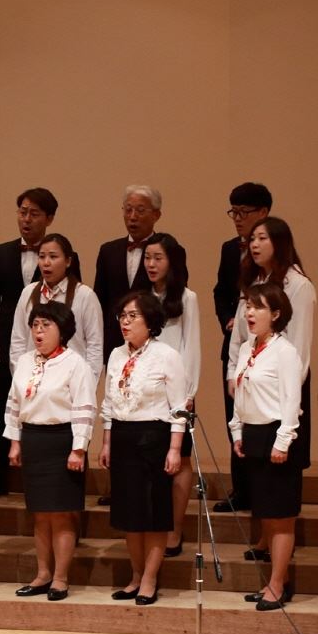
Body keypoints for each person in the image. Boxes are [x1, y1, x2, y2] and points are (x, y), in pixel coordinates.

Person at [226, 216, 316, 561]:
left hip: (281, 385)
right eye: (252, 239)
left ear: (280, 242)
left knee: (277, 474)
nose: (254, 244)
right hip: (251, 378)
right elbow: (239, 337)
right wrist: (234, 374)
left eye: (262, 238)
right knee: (257, 473)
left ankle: (277, 542)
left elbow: (300, 345)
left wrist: (286, 388)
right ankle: (264, 538)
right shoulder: (254, 282)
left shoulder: (298, 284)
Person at [99, 292, 187, 606]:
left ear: (150, 321)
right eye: (122, 316)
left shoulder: (167, 356)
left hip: (154, 438)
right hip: (123, 437)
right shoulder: (116, 355)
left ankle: (150, 579)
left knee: (153, 514)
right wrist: (106, 442)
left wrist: (175, 449)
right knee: (129, 515)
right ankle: (135, 576)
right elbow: (109, 403)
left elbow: (179, 409)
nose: (125, 322)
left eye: (132, 316)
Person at [5, 300, 96, 601]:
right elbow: (14, 403)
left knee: (61, 515)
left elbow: (85, 407)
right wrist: (15, 441)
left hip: (62, 441)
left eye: (46, 325)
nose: (39, 331)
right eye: (35, 325)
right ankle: (43, 574)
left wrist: (78, 449)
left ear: (62, 330)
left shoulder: (75, 364)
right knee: (40, 514)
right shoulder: (25, 361)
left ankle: (60, 578)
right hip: (33, 440)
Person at [0, 188, 59, 499]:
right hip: (5, 342)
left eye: (34, 213)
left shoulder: (61, 253)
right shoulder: (1, 252)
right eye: (22, 212)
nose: (26, 219)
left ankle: (39, 479)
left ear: (49, 218)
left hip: (47, 342)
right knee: (2, 406)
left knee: (44, 410)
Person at [229, 283, 304, 611]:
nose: (249, 313)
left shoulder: (284, 352)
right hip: (254, 435)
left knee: (281, 517)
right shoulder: (248, 347)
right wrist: (237, 431)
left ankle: (277, 584)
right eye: (247, 306)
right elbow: (241, 393)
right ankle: (277, 580)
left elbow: (291, 401)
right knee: (266, 517)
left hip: (277, 436)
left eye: (257, 307)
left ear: (275, 314)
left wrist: (283, 441)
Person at [213, 182, 272, 513]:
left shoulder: (276, 251)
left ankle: (263, 490)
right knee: (234, 418)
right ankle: (241, 489)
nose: (237, 218)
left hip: (265, 351)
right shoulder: (228, 249)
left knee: (261, 422)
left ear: (263, 212)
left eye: (243, 212)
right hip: (235, 347)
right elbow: (221, 291)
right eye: (233, 212)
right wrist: (228, 318)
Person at [143, 233, 200, 556]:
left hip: (178, 393)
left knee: (180, 460)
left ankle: (175, 529)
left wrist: (188, 392)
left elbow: (191, 346)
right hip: (147, 393)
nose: (151, 264)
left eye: (158, 258)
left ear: (172, 261)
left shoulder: (187, 298)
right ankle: (153, 526)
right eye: (148, 258)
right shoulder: (141, 299)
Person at [7, 233, 103, 382]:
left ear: (68, 261)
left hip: (71, 381)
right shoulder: (28, 293)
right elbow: (18, 341)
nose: (46, 263)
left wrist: (87, 384)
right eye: (42, 256)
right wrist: (21, 378)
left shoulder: (85, 295)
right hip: (33, 380)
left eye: (53, 257)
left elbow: (94, 346)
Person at [93, 184, 161, 361]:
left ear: (156, 215)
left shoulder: (166, 251)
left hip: (153, 342)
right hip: (114, 342)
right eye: (128, 210)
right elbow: (100, 301)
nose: (133, 217)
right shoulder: (108, 251)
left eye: (140, 210)